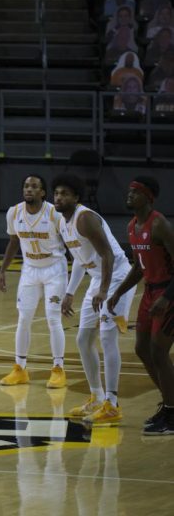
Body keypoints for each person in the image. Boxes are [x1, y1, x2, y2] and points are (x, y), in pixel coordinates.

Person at [55, 174, 136, 425]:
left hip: (117, 278)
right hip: (97, 279)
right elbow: (81, 260)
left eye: (65, 193)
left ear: (76, 197)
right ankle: (97, 397)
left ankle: (112, 403)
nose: (59, 197)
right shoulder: (62, 222)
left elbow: (108, 255)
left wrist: (104, 290)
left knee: (107, 337)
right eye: (56, 193)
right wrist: (70, 292)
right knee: (83, 339)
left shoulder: (85, 218)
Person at [108, 177, 174, 434]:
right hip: (150, 292)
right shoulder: (132, 226)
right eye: (129, 191)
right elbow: (138, 267)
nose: (129, 195)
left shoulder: (159, 224)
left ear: (148, 197)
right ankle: (170, 404)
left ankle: (171, 413)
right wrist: (118, 292)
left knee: (159, 352)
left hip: (168, 292)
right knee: (142, 349)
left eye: (135, 192)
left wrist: (167, 297)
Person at [0, 175, 68, 388]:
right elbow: (13, 241)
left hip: (54, 269)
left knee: (53, 318)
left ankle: (58, 369)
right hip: (29, 269)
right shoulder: (14, 212)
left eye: (34, 186)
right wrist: (2, 269)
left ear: (43, 192)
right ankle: (20, 368)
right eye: (26, 186)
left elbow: (70, 243)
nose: (29, 189)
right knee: (24, 318)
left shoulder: (54, 213)